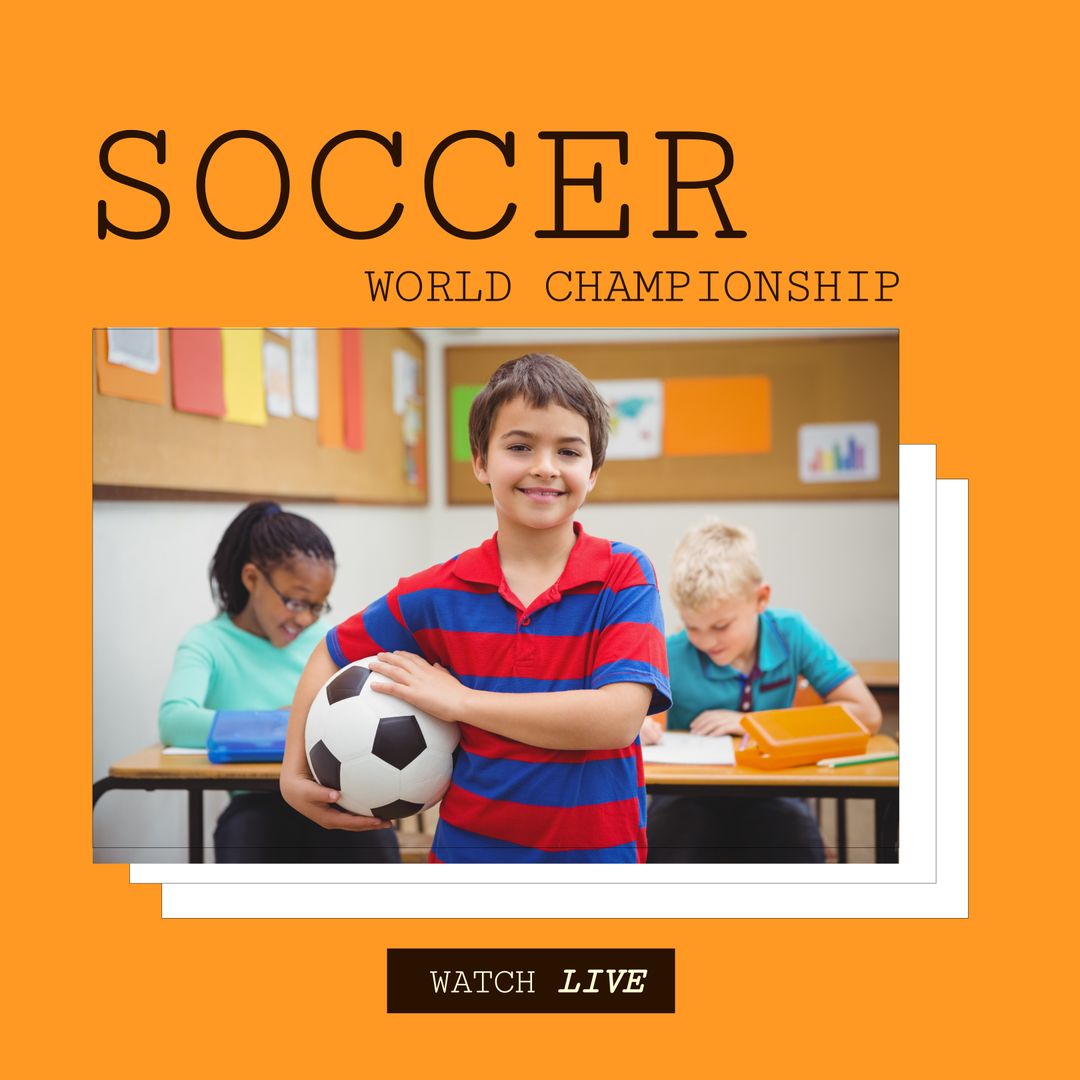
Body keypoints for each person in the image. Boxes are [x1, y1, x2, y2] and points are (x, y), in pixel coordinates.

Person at [281, 353, 671, 862]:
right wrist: (292, 774)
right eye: (520, 446)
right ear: (481, 461)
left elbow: (616, 718)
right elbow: (329, 654)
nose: (545, 467)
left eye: (569, 451)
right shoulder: (436, 592)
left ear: (592, 470)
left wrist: (461, 702)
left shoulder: (624, 575)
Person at [159, 501, 400, 863]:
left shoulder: (326, 641)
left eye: (317, 606)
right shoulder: (207, 642)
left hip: (332, 791)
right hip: (257, 802)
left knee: (368, 835)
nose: (305, 618)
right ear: (252, 579)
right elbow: (174, 722)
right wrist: (288, 720)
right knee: (247, 831)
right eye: (295, 601)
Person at [642, 520, 882, 862]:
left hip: (775, 790)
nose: (706, 641)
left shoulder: (792, 633)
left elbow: (867, 715)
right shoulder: (674, 651)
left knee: (797, 849)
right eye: (693, 627)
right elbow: (640, 719)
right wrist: (640, 725)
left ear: (761, 599)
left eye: (721, 626)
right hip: (687, 794)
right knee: (667, 847)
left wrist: (753, 723)